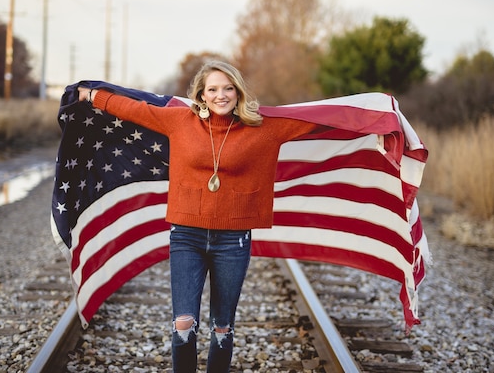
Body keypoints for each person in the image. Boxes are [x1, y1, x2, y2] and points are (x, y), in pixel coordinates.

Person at [78, 61, 321, 373]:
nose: (221, 95)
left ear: (238, 92)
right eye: (213, 90)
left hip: (233, 241)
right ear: (202, 96)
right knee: (183, 323)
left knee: (222, 326)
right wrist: (94, 96)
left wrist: (374, 122)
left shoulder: (262, 126)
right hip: (186, 237)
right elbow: (135, 110)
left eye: (228, 88)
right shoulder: (180, 121)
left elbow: (315, 121)